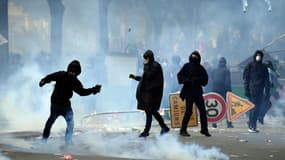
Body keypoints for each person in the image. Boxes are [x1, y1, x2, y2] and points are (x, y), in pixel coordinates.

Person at [39, 60, 101, 145]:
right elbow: (50, 77)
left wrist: (93, 90)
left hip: (64, 104)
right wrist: (44, 81)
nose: (72, 72)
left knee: (69, 122)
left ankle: (67, 141)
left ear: (77, 72)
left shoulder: (74, 81)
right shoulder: (62, 75)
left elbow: (82, 92)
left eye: (74, 71)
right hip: (56, 103)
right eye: (71, 70)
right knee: (52, 120)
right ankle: (44, 141)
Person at [129, 50, 170, 138]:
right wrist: (135, 77)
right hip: (148, 94)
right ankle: (164, 127)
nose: (143, 61)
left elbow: (149, 78)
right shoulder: (150, 66)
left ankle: (146, 131)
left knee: (149, 111)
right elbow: (145, 79)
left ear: (148, 58)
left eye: (144, 59)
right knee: (153, 111)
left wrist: (146, 66)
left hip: (152, 94)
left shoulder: (154, 66)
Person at [177, 50, 211, 137]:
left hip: (197, 92)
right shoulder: (186, 66)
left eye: (195, 57)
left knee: (202, 110)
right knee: (188, 111)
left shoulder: (200, 68)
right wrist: (187, 80)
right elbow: (180, 76)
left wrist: (197, 80)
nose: (194, 58)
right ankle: (183, 130)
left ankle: (204, 129)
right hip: (188, 92)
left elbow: (205, 80)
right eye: (193, 56)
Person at [243, 50, 270, 133]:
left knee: (257, 109)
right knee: (253, 108)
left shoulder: (263, 67)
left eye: (260, 55)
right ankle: (252, 125)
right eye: (257, 55)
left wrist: (267, 91)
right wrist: (246, 90)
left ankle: (252, 125)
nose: (258, 57)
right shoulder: (249, 66)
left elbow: (266, 80)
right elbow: (246, 79)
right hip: (252, 90)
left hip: (259, 91)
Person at [211, 57, 234, 128]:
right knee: (227, 107)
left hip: (215, 90)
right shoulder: (226, 70)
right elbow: (227, 82)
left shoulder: (214, 70)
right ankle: (229, 124)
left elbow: (212, 79)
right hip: (223, 90)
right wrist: (229, 91)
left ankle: (214, 122)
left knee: (215, 106)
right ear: (225, 63)